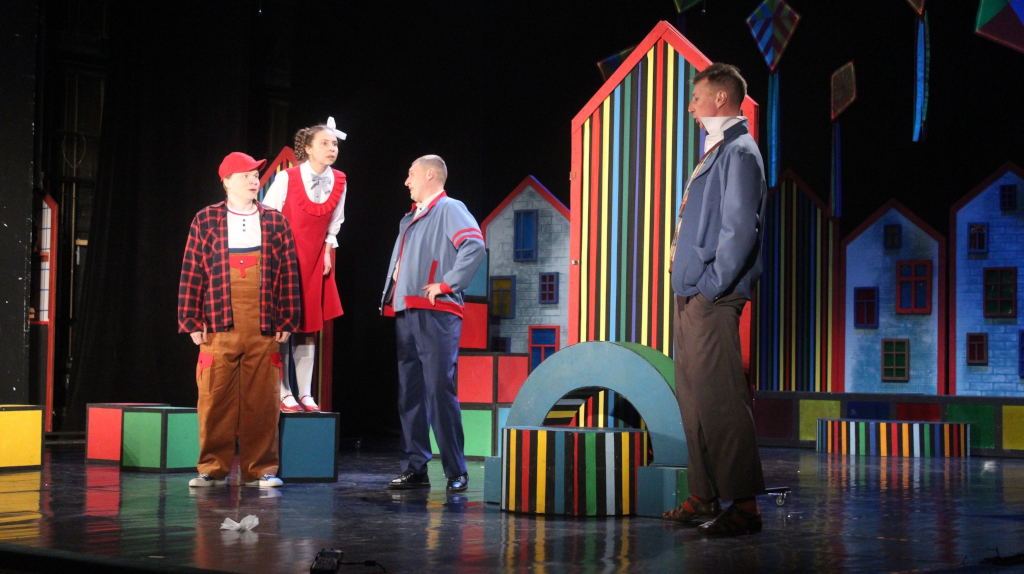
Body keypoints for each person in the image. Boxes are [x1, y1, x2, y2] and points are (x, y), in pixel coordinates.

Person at [662, 63, 768, 535]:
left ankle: (744, 507)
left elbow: (740, 229)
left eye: (696, 97)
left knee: (722, 400)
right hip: (690, 293)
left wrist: (710, 286)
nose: (691, 107)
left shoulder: (740, 151)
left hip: (712, 296)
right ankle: (704, 495)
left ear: (720, 98)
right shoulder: (717, 150)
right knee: (694, 400)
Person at [178, 151, 301, 488]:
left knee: (262, 402)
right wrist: (191, 319)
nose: (253, 180)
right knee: (214, 399)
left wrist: (287, 319)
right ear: (227, 181)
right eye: (246, 175)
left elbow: (289, 273)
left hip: (263, 327)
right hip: (218, 327)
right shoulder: (206, 219)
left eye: (255, 175)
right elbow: (192, 271)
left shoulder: (275, 221)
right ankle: (211, 467)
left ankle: (261, 469)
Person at [380, 155, 485, 493]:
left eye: (411, 174)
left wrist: (447, 283)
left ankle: (456, 469)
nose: (406, 181)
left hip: (435, 310)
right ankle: (415, 467)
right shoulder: (412, 217)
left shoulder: (449, 208)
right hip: (406, 309)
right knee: (410, 393)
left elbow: (474, 245)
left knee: (439, 389)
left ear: (429, 175)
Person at [262, 117, 347, 413]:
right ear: (308, 149)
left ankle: (306, 393)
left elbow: (334, 224)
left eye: (334, 144)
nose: (332, 148)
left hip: (314, 260)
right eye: (324, 143)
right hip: (285, 259)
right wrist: (275, 259)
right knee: (285, 324)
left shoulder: (340, 180)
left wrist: (327, 253)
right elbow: (268, 216)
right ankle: (284, 390)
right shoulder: (288, 178)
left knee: (308, 326)